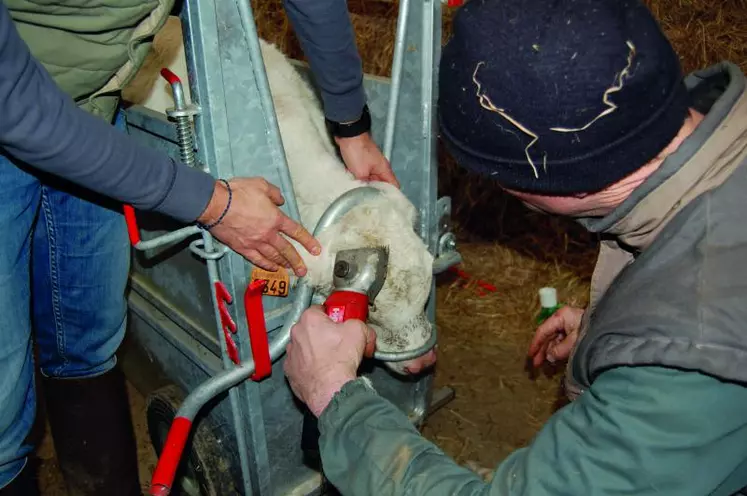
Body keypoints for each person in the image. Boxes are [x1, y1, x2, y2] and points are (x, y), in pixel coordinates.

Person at [283, 0, 747, 494]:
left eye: (493, 175)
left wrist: (336, 396)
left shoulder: (684, 363)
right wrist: (614, 326)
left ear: (562, 182)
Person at [0, 0, 390, 494]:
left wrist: (350, 124)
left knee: (89, 337)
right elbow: (14, 103)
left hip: (93, 108)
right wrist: (211, 203)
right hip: (12, 111)